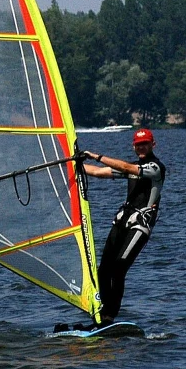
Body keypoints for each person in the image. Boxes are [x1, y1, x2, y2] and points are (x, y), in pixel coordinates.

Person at [78, 128, 166, 328]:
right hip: (122, 221)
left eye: (145, 144)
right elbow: (99, 172)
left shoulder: (156, 168)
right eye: (138, 144)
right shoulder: (132, 167)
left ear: (153, 145)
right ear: (133, 146)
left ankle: (110, 316)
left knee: (118, 268)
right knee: (103, 270)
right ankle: (99, 314)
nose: (141, 147)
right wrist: (75, 164)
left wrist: (97, 156)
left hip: (139, 226)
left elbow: (126, 168)